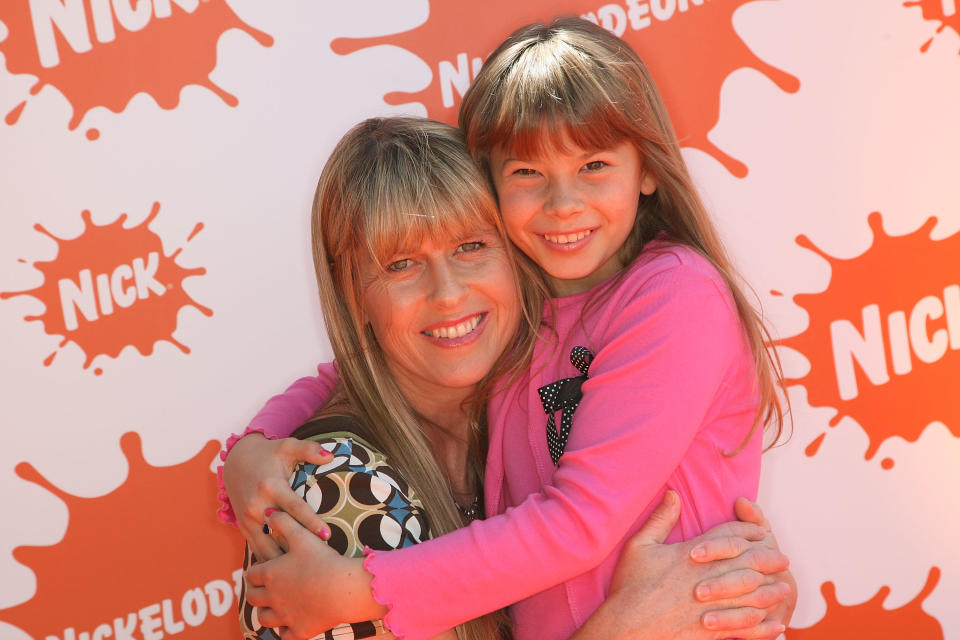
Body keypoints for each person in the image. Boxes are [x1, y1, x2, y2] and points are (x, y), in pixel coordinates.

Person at [234, 17, 796, 640]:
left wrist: (358, 590)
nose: (563, 203)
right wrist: (254, 448)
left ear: (648, 170)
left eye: (594, 165)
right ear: (492, 186)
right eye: (528, 172)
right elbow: (360, 367)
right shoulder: (531, 301)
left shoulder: (673, 294)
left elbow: (581, 523)